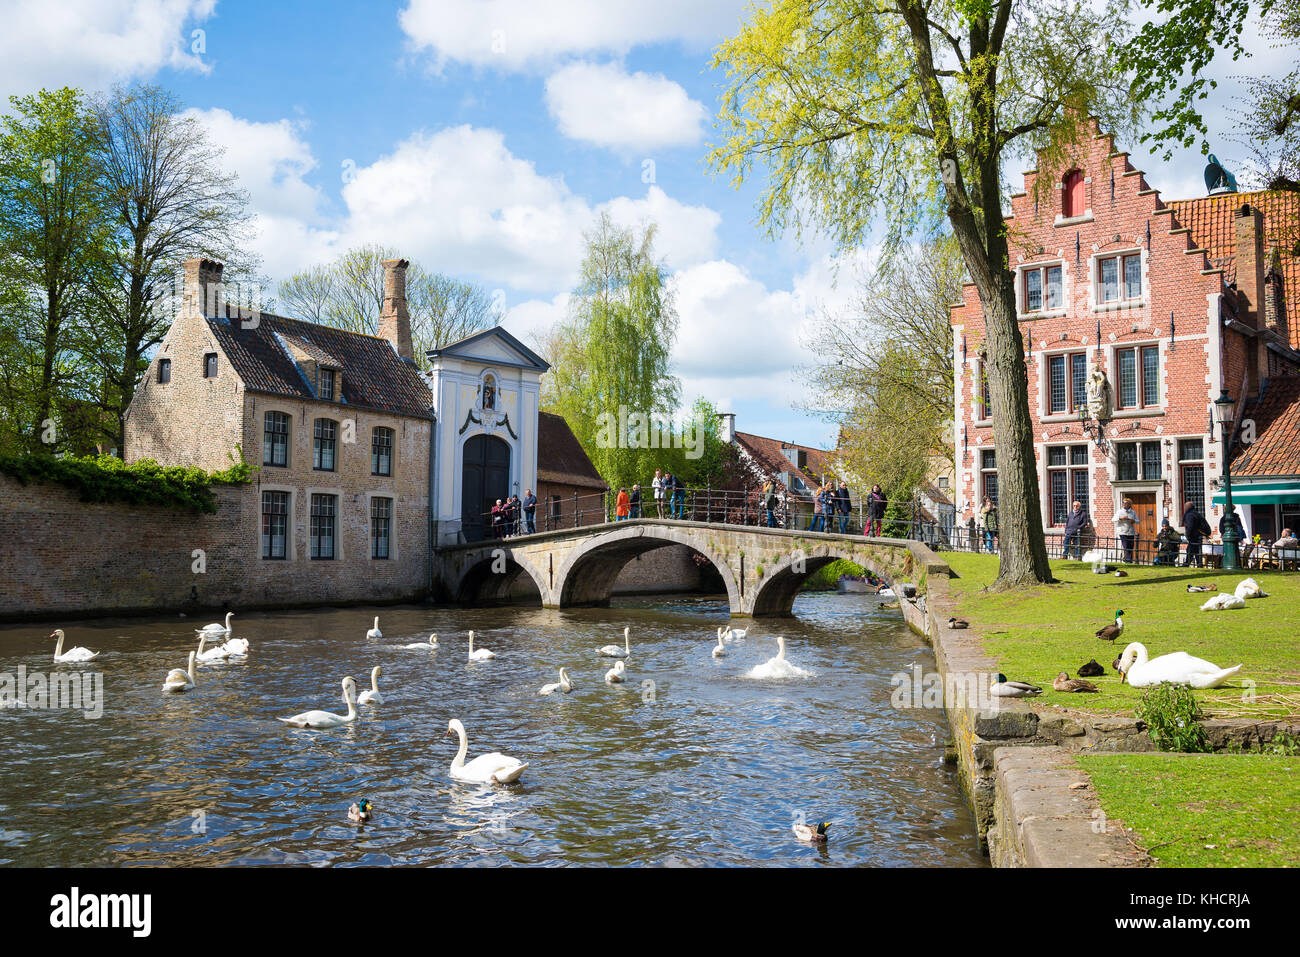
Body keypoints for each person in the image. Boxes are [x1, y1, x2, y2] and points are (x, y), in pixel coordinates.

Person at [1182, 499, 1211, 567]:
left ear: (1187, 507)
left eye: (1185, 507)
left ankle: (1190, 564)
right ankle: (1196, 564)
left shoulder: (1190, 515)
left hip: (1194, 536)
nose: (1184, 508)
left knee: (1192, 551)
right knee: (1194, 551)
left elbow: (1190, 526)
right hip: (1198, 536)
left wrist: (1188, 536)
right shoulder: (1196, 513)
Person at [1113, 497, 1137, 563]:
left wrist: (1133, 520)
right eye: (1123, 502)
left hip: (1130, 531)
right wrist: (1121, 518)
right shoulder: (1119, 511)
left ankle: (1129, 560)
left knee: (1131, 546)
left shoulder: (1133, 512)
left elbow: (1138, 521)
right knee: (1125, 546)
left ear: (1129, 504)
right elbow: (1113, 519)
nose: (1124, 504)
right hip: (1122, 531)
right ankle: (1127, 560)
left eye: (1126, 503)